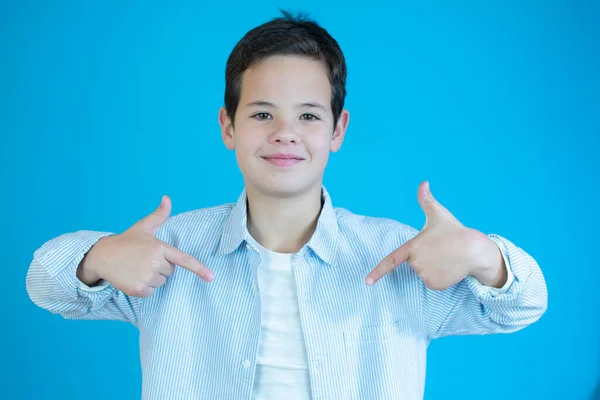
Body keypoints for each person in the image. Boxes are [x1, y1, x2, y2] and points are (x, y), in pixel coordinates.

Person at [26, 10, 548, 400]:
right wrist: (99, 257)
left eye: (308, 116)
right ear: (227, 126)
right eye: (260, 115)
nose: (284, 135)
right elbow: (44, 283)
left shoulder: (401, 256)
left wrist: (484, 255)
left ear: (338, 130)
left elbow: (525, 306)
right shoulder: (169, 253)